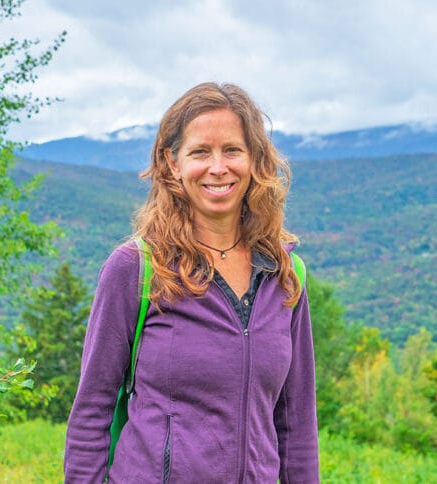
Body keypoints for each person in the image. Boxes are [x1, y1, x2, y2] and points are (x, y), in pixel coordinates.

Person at [64, 82, 319, 483]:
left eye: (232, 150)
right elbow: (91, 410)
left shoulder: (285, 275)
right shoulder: (136, 268)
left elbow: (297, 425)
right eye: (200, 151)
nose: (218, 167)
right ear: (172, 163)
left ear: (254, 160)